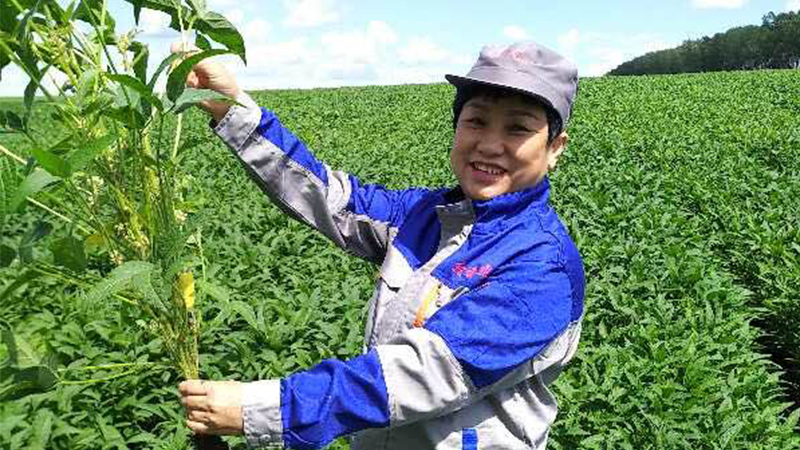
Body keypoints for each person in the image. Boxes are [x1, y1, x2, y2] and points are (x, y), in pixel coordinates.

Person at [178, 41, 585, 450]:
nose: (490, 144)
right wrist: (231, 108)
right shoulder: (422, 216)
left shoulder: (543, 267)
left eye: (518, 128)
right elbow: (328, 197)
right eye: (476, 121)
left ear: (555, 148)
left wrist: (271, 409)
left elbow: (423, 373)